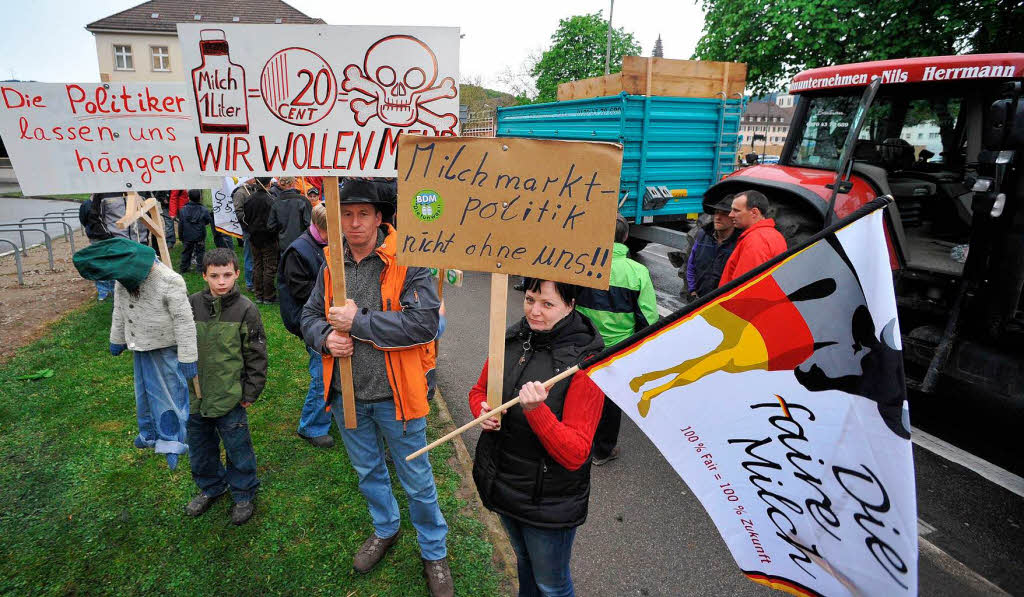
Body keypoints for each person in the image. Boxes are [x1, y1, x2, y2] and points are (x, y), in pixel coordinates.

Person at [300, 180, 451, 596]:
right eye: (346, 214)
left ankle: (434, 552)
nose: (354, 223)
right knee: (368, 471)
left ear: (379, 218)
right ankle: (385, 528)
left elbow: (424, 324)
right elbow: (309, 314)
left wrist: (358, 322)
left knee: (417, 479)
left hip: (398, 399)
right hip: (349, 395)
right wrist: (324, 338)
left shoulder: (409, 260)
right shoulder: (331, 263)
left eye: (363, 214)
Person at [470, 278, 605, 597]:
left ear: (570, 305)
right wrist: (482, 410)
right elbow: (479, 390)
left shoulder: (586, 363)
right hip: (502, 485)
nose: (535, 311)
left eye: (548, 304)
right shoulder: (514, 338)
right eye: (530, 299)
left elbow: (576, 453)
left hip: (548, 503)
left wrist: (537, 412)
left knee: (552, 585)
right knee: (524, 563)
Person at [71, 237, 197, 470]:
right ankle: (148, 432)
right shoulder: (124, 281)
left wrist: (188, 357)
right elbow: (119, 311)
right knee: (145, 395)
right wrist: (116, 339)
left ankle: (172, 441)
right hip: (140, 346)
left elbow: (185, 322)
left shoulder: (169, 281)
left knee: (168, 395)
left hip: (163, 349)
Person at [185, 248, 267, 525]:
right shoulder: (190, 304)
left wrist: (250, 391)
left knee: (237, 447)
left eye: (227, 275)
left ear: (237, 274)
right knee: (200, 448)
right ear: (204, 276)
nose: (221, 282)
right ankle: (211, 487)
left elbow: (256, 352)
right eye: (214, 276)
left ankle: (243, 492)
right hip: (195, 396)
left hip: (230, 396)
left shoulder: (246, 309)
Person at [575, 216, 658, 466]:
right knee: (610, 401)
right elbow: (648, 317)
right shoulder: (638, 272)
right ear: (625, 238)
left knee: (579, 392)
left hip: (583, 343)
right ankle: (602, 451)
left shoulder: (581, 265)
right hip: (618, 350)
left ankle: (577, 443)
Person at [278, 203, 333, 448]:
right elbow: (302, 291)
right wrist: (335, 294)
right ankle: (310, 426)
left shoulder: (322, 245)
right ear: (322, 228)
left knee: (334, 371)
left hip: (327, 315)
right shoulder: (298, 251)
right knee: (322, 373)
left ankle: (331, 413)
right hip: (310, 320)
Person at [718, 190, 787, 287]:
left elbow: (745, 288)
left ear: (754, 212)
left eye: (736, 210)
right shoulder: (775, 235)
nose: (730, 215)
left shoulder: (756, 240)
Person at [686, 195, 739, 298]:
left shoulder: (740, 243)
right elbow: (691, 265)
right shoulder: (702, 235)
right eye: (716, 212)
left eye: (724, 214)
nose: (718, 217)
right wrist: (692, 290)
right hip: (699, 299)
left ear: (734, 217)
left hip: (722, 303)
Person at [243, 178, 278, 303]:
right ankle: (268, 296)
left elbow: (245, 218)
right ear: (268, 184)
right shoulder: (271, 200)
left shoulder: (249, 199)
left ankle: (259, 294)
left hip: (254, 236)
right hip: (268, 238)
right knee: (269, 266)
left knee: (258, 265)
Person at [78, 197, 115, 300]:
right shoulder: (89, 204)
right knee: (105, 263)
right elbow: (84, 220)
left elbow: (83, 220)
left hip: (98, 237)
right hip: (100, 237)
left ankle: (105, 292)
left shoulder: (88, 204)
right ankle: (106, 291)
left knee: (103, 264)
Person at [268, 176, 313, 252]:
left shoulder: (275, 202)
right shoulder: (303, 200)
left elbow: (271, 226)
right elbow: (309, 224)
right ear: (293, 183)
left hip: (284, 243)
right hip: (302, 242)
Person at [178, 190, 212, 273]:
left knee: (186, 252)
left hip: (187, 235)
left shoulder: (183, 210)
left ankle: (184, 268)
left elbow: (180, 224)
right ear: (200, 198)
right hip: (199, 235)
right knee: (200, 252)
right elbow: (208, 220)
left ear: (188, 198)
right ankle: (200, 269)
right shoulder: (204, 209)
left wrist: (181, 236)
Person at [232, 179, 256, 291]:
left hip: (255, 228)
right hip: (248, 229)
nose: (255, 179)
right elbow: (238, 212)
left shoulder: (253, 189)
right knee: (249, 255)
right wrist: (249, 223)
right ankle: (249, 283)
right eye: (253, 178)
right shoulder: (240, 193)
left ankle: (255, 280)